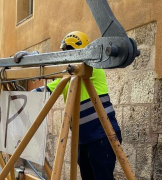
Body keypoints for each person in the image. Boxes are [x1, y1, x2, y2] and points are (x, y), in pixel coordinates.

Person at [15, 31, 121, 180]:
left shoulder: (92, 67)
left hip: (102, 136)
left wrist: (37, 57)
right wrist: (17, 98)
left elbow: (72, 64)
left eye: (68, 52)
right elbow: (43, 90)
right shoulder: (67, 77)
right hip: (85, 139)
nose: (65, 56)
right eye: (64, 52)